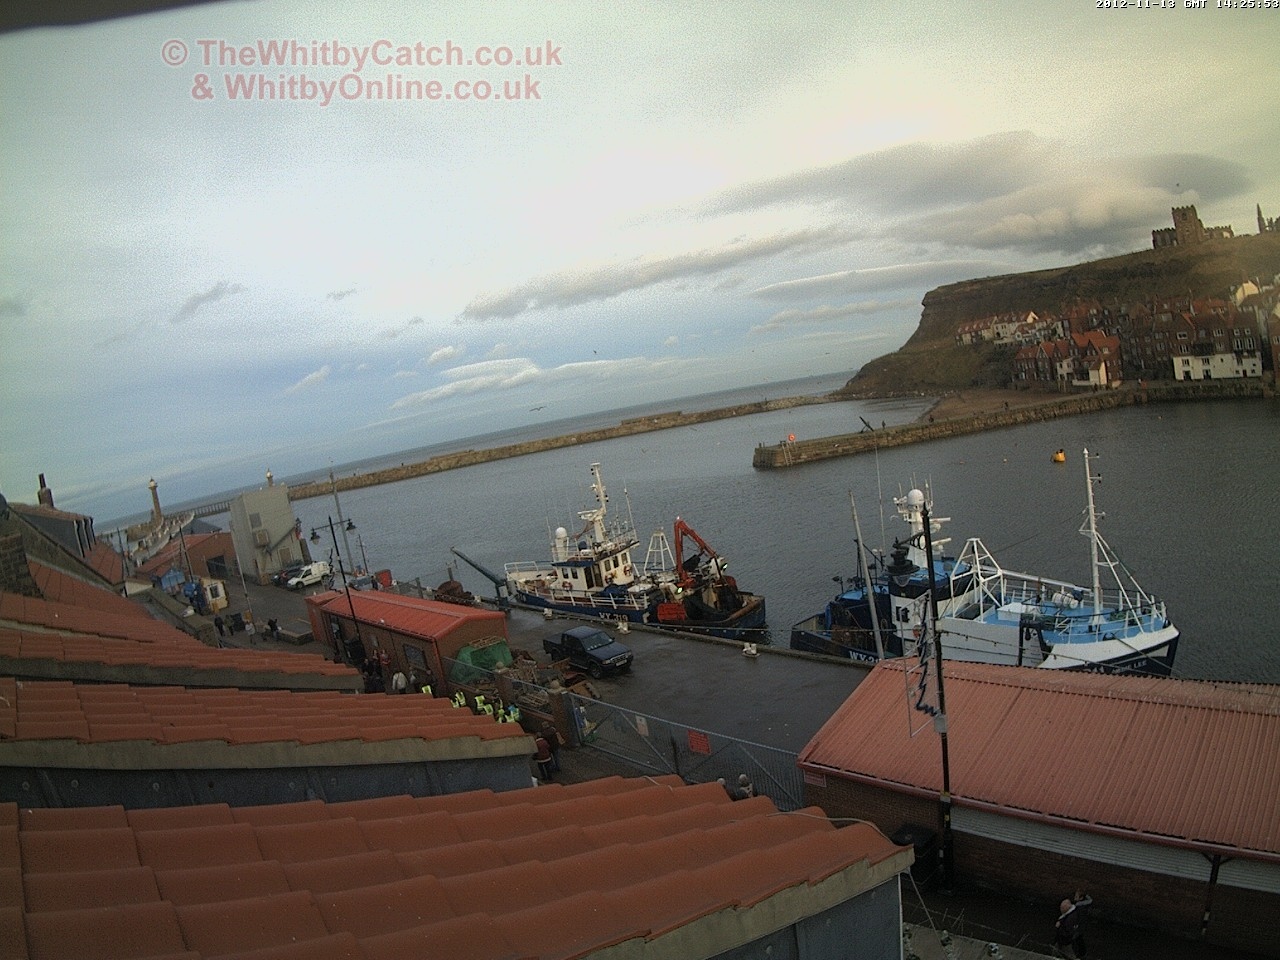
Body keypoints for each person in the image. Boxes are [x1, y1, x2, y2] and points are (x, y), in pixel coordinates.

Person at [1052, 891, 1092, 958]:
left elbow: (1068, 931)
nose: (1061, 909)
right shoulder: (1070, 913)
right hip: (1062, 940)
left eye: (1062, 908)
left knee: (1069, 953)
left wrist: (1059, 926)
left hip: (1065, 941)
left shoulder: (1071, 918)